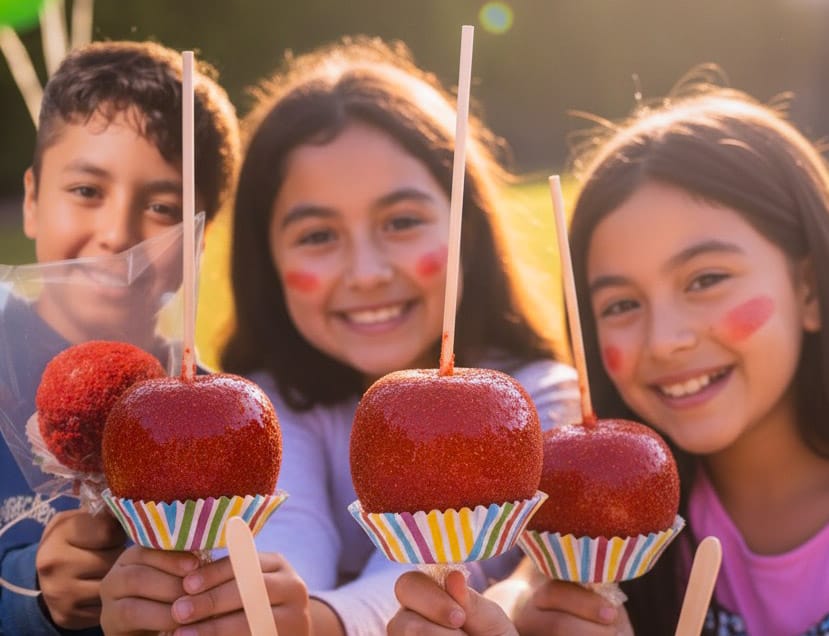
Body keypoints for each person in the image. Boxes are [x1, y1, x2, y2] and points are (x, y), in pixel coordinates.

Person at [390, 73, 829, 635]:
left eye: (706, 279)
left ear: (810, 290)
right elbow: (524, 590)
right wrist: (506, 616)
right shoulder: (609, 511)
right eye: (621, 305)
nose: (665, 339)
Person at [211, 35, 578, 636]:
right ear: (266, 261)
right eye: (317, 236)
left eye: (402, 222)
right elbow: (287, 542)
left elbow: (453, 572)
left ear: (469, 230)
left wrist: (314, 624)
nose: (367, 273)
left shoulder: (531, 403)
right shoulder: (265, 404)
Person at [0, 39, 240, 635]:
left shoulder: (220, 420)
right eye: (86, 191)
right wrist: (29, 596)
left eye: (162, 206)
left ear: (200, 240)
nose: (118, 234)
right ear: (31, 200)